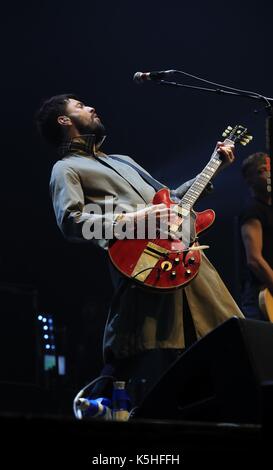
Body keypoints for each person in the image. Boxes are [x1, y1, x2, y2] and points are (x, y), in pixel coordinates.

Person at [36, 94, 244, 406]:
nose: (91, 106)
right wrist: (134, 218)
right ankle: (98, 405)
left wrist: (213, 166)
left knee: (226, 335)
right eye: (79, 106)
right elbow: (71, 221)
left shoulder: (124, 161)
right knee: (135, 344)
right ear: (63, 121)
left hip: (185, 253)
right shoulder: (66, 168)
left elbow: (171, 199)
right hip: (141, 263)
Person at [240, 152, 273, 320]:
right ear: (249, 179)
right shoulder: (253, 210)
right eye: (261, 171)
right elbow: (254, 260)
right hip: (260, 296)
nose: (268, 175)